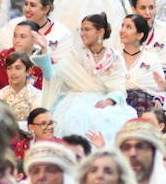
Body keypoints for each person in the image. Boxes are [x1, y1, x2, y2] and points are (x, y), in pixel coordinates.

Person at [36, 13, 136, 144]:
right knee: (77, 118)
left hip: (105, 100)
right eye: (81, 30)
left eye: (87, 29)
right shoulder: (75, 54)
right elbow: (53, 77)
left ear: (100, 31)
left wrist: (109, 101)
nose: (82, 33)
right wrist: (44, 50)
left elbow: (118, 87)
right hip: (75, 100)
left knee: (119, 117)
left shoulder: (114, 57)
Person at [0, 0, 73, 56]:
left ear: (46, 9)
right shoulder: (14, 24)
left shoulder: (62, 34)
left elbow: (61, 67)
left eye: (32, 5)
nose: (27, 9)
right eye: (26, 4)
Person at [117, 13, 165, 117]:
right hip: (116, 104)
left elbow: (162, 89)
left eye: (128, 27)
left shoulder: (151, 59)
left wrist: (158, 100)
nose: (122, 30)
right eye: (122, 26)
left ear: (140, 35)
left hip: (142, 107)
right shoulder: (114, 58)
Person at [130, 0, 166, 71]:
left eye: (151, 8)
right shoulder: (125, 30)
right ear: (134, 10)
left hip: (159, 76)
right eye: (143, 8)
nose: (148, 13)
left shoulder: (165, 29)